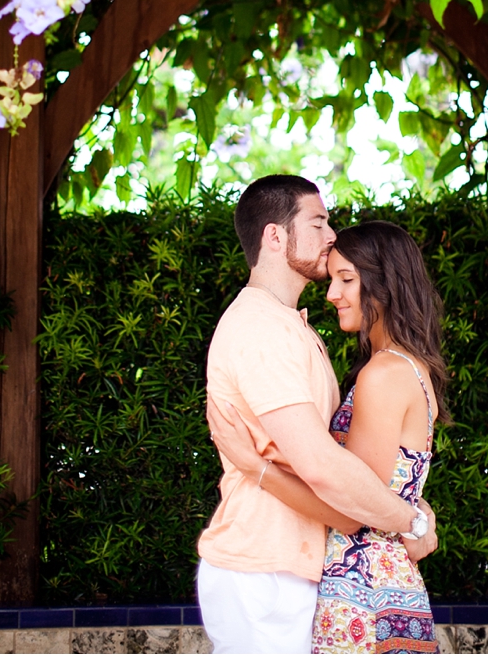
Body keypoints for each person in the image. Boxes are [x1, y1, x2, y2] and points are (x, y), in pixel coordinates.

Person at [197, 176, 438, 655]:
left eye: (349, 279)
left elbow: (363, 473)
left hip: (307, 568)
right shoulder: (262, 329)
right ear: (275, 237)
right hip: (264, 569)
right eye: (319, 221)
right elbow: (324, 467)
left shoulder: (296, 329)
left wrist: (411, 512)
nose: (331, 234)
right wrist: (410, 520)